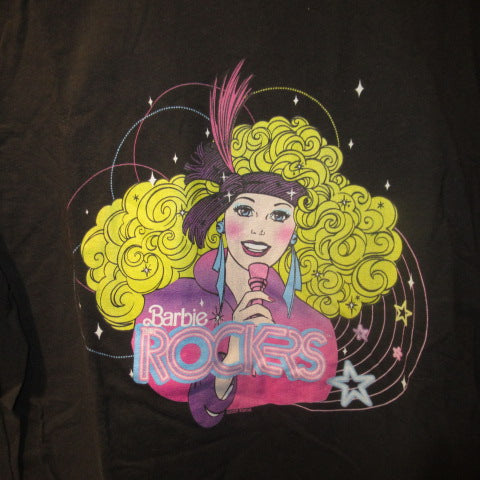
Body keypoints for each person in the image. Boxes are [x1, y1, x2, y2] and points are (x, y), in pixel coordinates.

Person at [81, 64, 401, 427]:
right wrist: (232, 353)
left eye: (279, 215)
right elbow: (196, 412)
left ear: (300, 230)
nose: (259, 229)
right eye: (245, 210)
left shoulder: (315, 325)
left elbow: (312, 403)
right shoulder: (165, 304)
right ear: (221, 219)